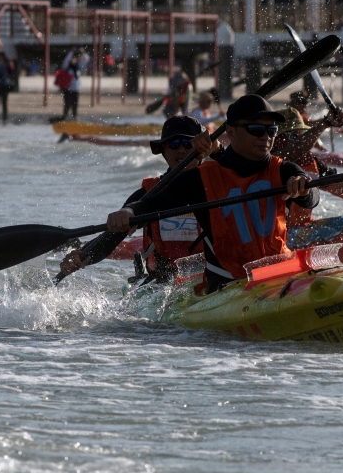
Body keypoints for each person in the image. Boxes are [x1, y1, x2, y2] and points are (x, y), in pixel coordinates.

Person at [105, 94, 319, 292]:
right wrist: (129, 212)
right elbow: (155, 202)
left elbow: (312, 199)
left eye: (271, 130)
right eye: (256, 129)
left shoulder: (284, 170)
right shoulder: (201, 178)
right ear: (232, 132)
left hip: (276, 275)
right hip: (227, 285)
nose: (265, 137)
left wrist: (303, 188)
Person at [59, 116, 209, 280]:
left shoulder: (219, 185)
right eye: (173, 144)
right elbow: (111, 238)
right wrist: (84, 255)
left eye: (188, 144)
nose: (181, 149)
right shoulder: (147, 194)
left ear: (201, 151)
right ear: (164, 151)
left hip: (209, 277)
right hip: (162, 282)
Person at [58, 49, 88, 119]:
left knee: (75, 105)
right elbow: (66, 60)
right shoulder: (66, 67)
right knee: (67, 104)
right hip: (67, 89)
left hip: (76, 89)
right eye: (72, 59)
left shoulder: (77, 68)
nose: (73, 60)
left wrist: (83, 52)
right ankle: (65, 117)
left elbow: (86, 60)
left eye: (74, 59)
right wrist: (72, 52)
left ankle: (75, 117)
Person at [0, 51, 14, 124]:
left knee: (4, 102)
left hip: (5, 85)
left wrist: (11, 65)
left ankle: (5, 117)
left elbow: (11, 72)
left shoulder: (6, 64)